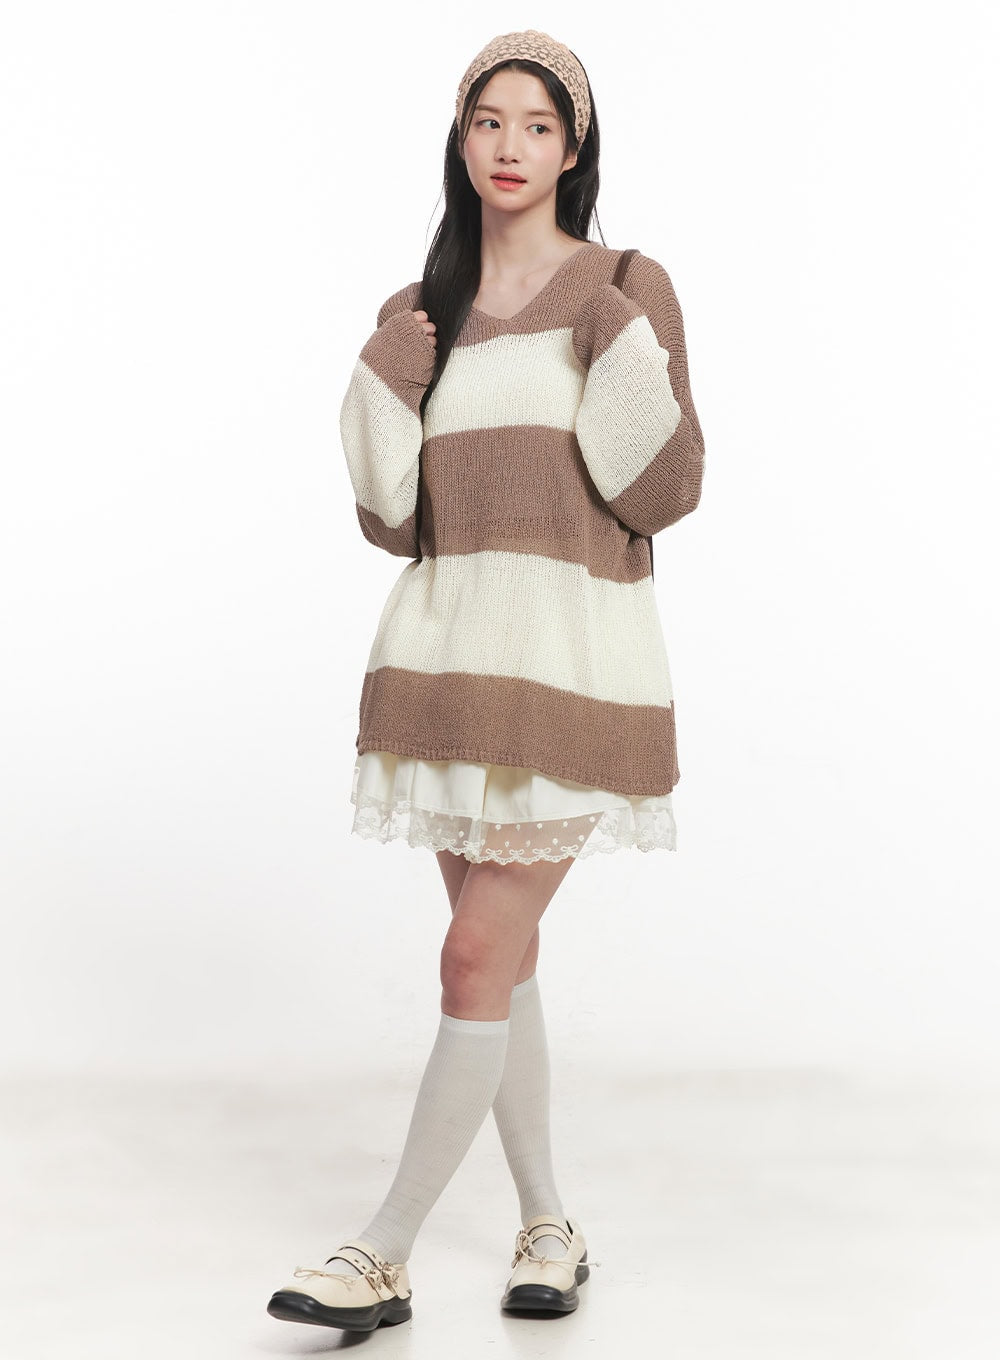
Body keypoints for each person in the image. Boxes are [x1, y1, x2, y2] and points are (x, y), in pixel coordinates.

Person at [267, 27, 706, 1334]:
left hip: (568, 670)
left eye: (537, 124)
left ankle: (382, 1252)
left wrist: (619, 352)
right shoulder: (424, 311)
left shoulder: (622, 286)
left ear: (573, 148)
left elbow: (664, 490)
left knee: (472, 951)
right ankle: (550, 1226)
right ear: (461, 141)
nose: (510, 146)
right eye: (487, 121)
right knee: (501, 961)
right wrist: (382, 379)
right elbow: (393, 517)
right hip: (441, 666)